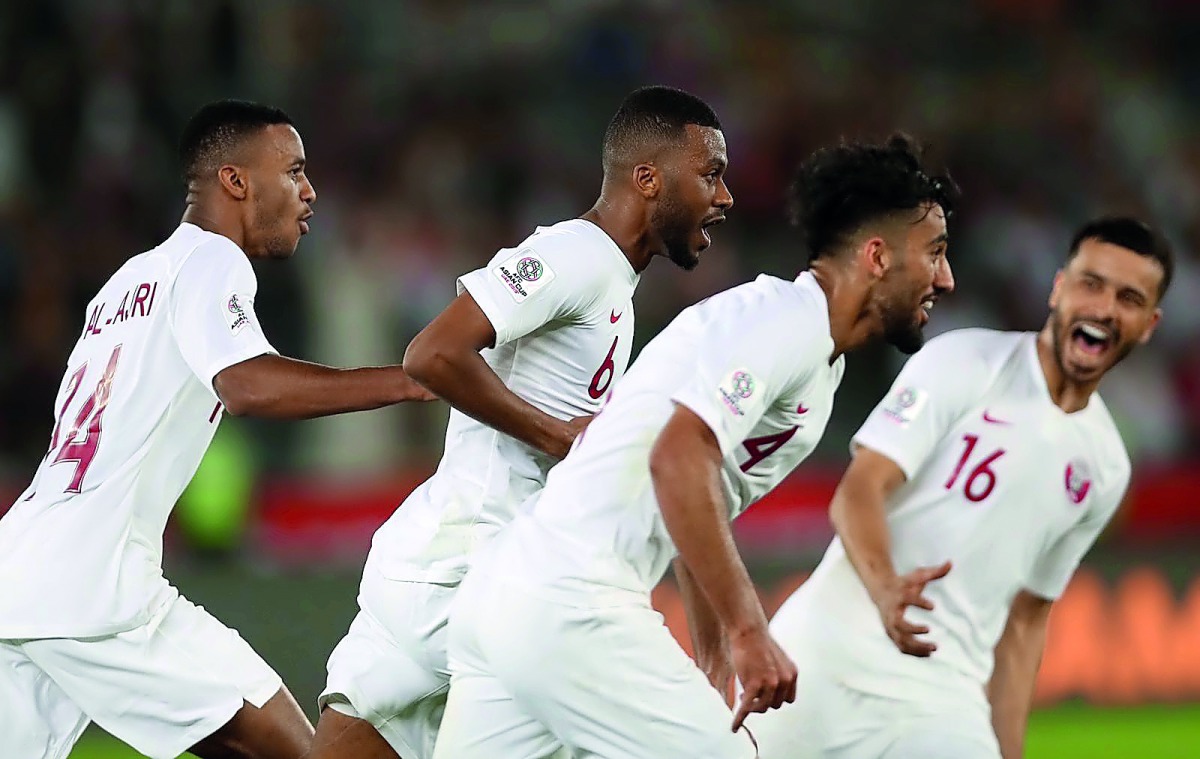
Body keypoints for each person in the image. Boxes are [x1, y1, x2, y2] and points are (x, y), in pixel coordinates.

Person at [429, 134, 958, 759]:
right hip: (573, 598)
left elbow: (698, 500)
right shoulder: (785, 322)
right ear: (877, 256)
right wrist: (749, 631)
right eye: (935, 253)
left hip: (511, 596)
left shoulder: (813, 357)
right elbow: (677, 460)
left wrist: (714, 665)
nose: (946, 279)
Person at [308, 85, 734, 759]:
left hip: (457, 570)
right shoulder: (575, 256)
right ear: (648, 178)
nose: (725, 196)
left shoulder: (612, 284)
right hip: (472, 570)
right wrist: (558, 436)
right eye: (710, 173)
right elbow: (433, 353)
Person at [0, 100, 435, 759]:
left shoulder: (124, 284)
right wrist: (410, 380)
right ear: (235, 180)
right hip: (100, 587)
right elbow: (248, 385)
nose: (309, 192)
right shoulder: (211, 260)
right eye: (293, 170)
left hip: (21, 570)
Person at [748, 216, 1172, 759]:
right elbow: (859, 490)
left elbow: (1026, 623)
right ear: (1059, 288)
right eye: (1091, 284)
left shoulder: (1106, 467)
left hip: (944, 697)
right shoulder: (964, 362)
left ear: (1149, 324)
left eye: (1128, 298)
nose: (1105, 308)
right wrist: (885, 587)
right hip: (826, 660)